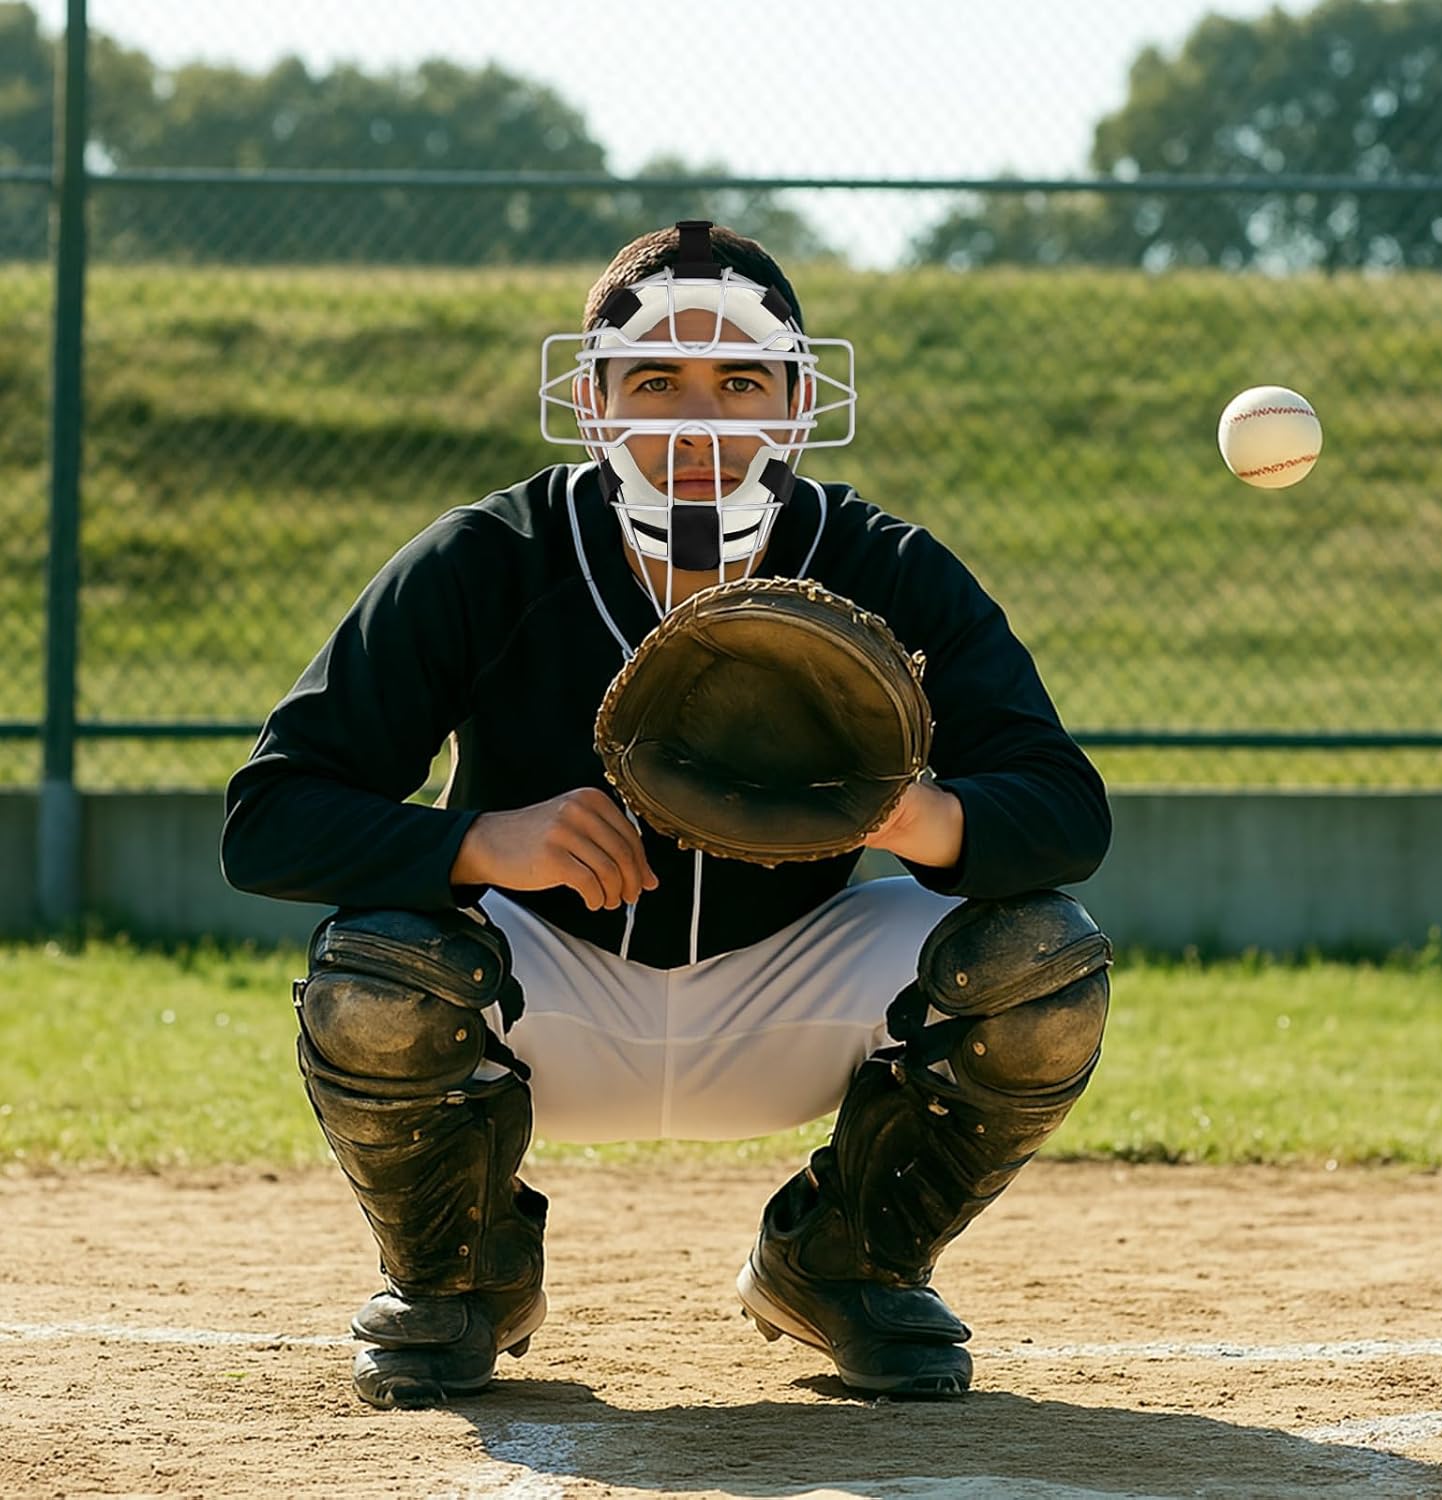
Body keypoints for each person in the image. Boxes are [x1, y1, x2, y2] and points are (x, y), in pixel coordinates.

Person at [221, 220, 1113, 1409]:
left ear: (798, 402)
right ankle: (458, 1275)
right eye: (657, 381)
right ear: (592, 402)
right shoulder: (494, 558)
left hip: (791, 992)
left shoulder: (876, 562)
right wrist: (483, 842)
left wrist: (909, 815)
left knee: (1039, 964)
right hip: (546, 993)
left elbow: (1065, 810)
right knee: (378, 971)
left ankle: (846, 1263)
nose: (700, 422)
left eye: (740, 380)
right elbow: (270, 815)